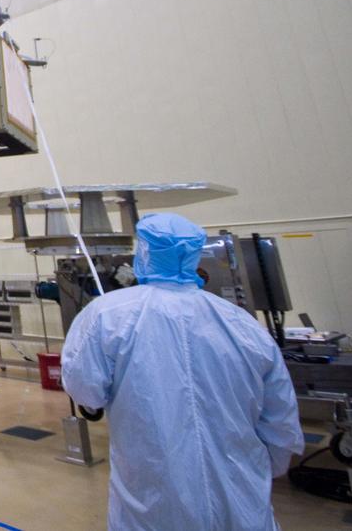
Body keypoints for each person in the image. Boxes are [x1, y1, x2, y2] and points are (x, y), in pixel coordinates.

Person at [61, 213, 304, 531]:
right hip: (242, 494)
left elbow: (85, 389)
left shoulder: (108, 315)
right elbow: (281, 420)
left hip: (154, 494)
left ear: (144, 253)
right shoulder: (242, 323)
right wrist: (255, 468)